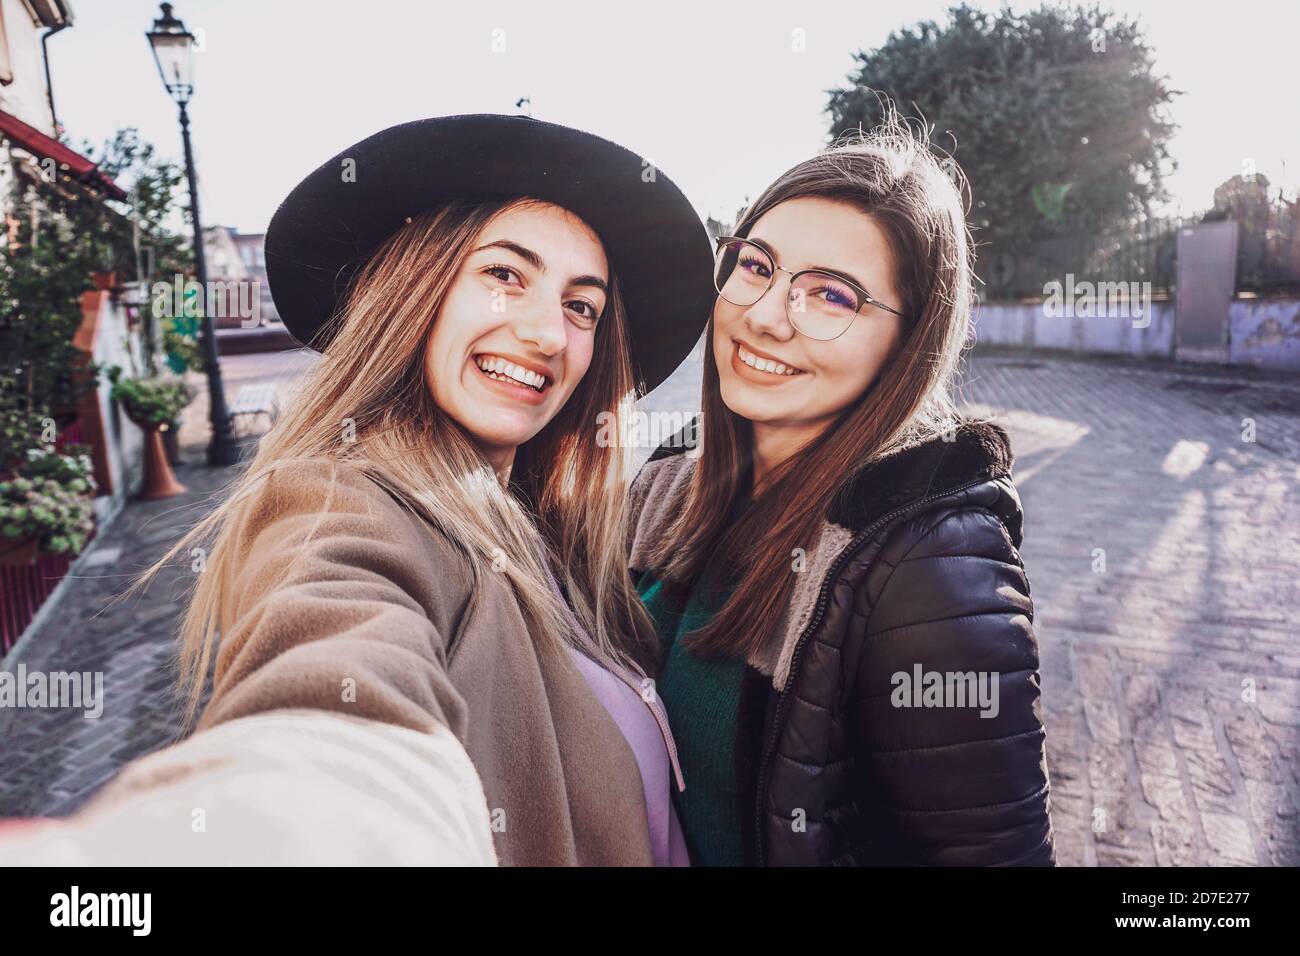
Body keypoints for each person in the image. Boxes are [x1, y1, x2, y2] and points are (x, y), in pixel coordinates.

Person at [0, 114, 713, 866]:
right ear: (417, 289)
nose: (545, 333)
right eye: (504, 275)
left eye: (581, 306)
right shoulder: (340, 502)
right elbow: (339, 702)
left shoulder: (540, 523)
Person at [626, 107, 1056, 866]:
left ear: (908, 342)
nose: (764, 317)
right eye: (756, 266)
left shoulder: (930, 570)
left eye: (831, 296)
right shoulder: (670, 478)